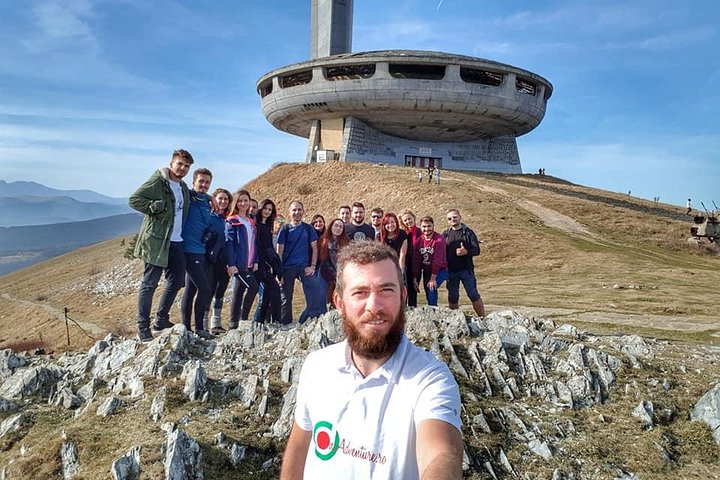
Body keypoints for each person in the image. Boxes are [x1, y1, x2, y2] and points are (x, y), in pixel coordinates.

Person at [279, 242, 463, 479]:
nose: (374, 306)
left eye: (386, 290)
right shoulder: (316, 366)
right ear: (339, 303)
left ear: (403, 297)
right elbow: (300, 446)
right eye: (360, 292)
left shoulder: (431, 378)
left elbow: (442, 456)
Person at [129, 149, 192, 342]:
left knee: (177, 281)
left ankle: (161, 320)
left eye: (186, 166)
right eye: (180, 164)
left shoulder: (182, 187)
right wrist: (154, 207)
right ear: (172, 163)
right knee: (149, 284)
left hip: (176, 241)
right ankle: (143, 328)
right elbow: (134, 200)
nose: (182, 168)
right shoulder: (159, 181)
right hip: (157, 242)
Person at [179, 168, 215, 338]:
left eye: (207, 182)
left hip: (201, 250)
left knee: (191, 290)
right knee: (205, 288)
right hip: (188, 250)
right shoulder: (188, 197)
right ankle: (198, 328)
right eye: (201, 181)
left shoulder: (207, 202)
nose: (204, 185)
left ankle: (187, 329)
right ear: (194, 182)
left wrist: (210, 198)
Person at [277, 201, 322, 324]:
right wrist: (279, 273)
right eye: (294, 210)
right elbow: (279, 252)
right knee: (286, 298)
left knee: (314, 291)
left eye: (299, 210)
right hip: (287, 268)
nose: (297, 212)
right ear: (289, 212)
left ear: (303, 211)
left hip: (304, 267)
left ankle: (314, 320)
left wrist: (312, 266)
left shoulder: (309, 229)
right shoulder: (284, 229)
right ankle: (286, 324)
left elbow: (315, 248)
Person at [225, 189, 259, 329]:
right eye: (240, 201)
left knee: (238, 293)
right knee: (253, 287)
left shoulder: (251, 222)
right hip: (238, 265)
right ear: (236, 203)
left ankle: (233, 324)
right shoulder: (232, 220)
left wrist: (255, 260)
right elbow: (229, 244)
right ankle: (243, 319)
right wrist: (231, 264)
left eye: (246, 200)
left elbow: (254, 243)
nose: (243, 203)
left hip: (249, 264)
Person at [443, 209, 485, 317]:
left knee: (473, 295)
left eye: (454, 217)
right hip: (451, 271)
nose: (452, 219)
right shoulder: (446, 234)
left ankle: (482, 318)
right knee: (453, 297)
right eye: (450, 218)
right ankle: (455, 321)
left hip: (466, 270)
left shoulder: (468, 232)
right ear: (447, 221)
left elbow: (477, 250)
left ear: (460, 217)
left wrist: (466, 252)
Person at [206, 188, 232, 335]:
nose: (223, 202)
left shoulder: (228, 218)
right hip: (210, 260)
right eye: (220, 198)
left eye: (226, 199)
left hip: (225, 260)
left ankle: (215, 323)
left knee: (220, 291)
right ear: (214, 199)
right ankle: (202, 324)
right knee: (207, 291)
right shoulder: (209, 216)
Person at [254, 199, 283, 324]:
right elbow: (257, 246)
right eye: (265, 208)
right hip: (256, 264)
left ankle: (275, 321)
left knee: (273, 290)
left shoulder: (267, 226)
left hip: (265, 265)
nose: (267, 211)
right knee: (264, 294)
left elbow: (269, 247)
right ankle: (257, 322)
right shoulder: (255, 224)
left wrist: (276, 264)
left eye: (270, 210)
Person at [413, 216, 448, 307]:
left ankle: (434, 310)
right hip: (427, 270)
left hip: (440, 269)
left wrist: (433, 279)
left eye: (429, 226)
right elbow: (416, 262)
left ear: (433, 226)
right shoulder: (419, 242)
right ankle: (431, 310)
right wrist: (415, 278)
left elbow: (438, 260)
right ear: (420, 227)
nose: (427, 229)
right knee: (427, 292)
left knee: (431, 287)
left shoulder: (439, 240)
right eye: (424, 226)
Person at [317, 218, 349, 308]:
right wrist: (334, 273)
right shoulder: (323, 240)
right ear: (331, 226)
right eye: (336, 225)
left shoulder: (346, 241)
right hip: (325, 272)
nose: (338, 228)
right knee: (322, 297)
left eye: (340, 227)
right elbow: (323, 259)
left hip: (340, 273)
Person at [400, 209, 422, 308]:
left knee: (413, 292)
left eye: (409, 219)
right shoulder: (402, 233)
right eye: (405, 220)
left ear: (414, 218)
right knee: (403, 292)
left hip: (416, 266)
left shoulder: (420, 232)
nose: (408, 222)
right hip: (405, 265)